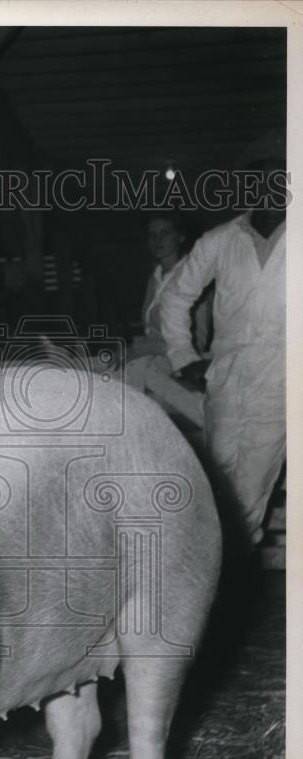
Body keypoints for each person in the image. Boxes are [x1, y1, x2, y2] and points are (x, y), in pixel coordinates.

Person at [159, 139, 286, 550]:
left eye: (277, 181)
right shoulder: (221, 239)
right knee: (217, 480)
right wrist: (183, 356)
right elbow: (175, 295)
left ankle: (232, 585)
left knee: (251, 489)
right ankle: (210, 575)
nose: (267, 190)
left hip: (283, 380)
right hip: (227, 380)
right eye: (257, 183)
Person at [123, 211, 212, 430]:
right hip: (154, 359)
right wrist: (138, 349)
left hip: (182, 359)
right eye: (152, 235)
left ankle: (209, 419)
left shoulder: (192, 275)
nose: (157, 240)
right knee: (121, 373)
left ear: (180, 237)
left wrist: (139, 348)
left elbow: (197, 341)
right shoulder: (154, 277)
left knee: (140, 369)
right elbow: (148, 332)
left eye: (165, 233)